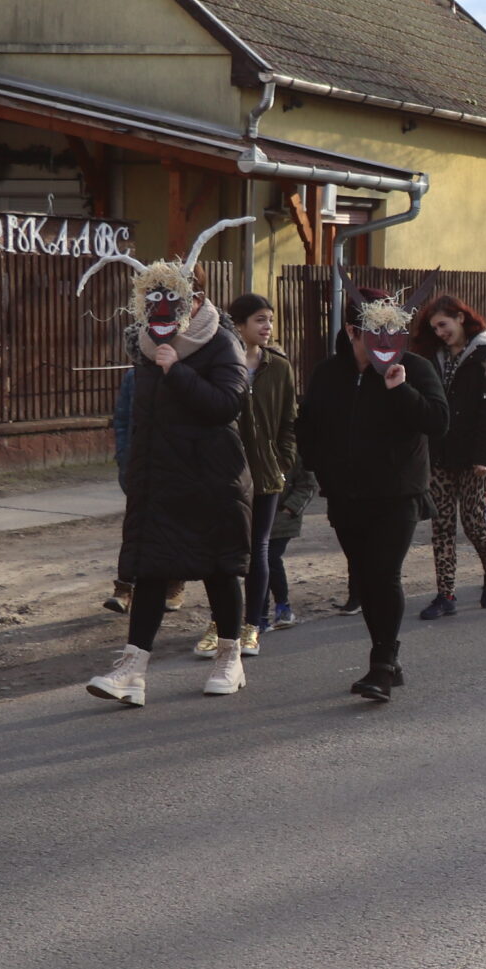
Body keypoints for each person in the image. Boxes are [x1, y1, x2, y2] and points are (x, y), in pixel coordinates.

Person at [87, 258, 251, 707]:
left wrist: (177, 370)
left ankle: (230, 659)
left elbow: (227, 405)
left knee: (219, 569)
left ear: (195, 298)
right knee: (152, 570)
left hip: (212, 478)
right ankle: (132, 671)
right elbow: (141, 417)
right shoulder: (145, 344)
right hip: (159, 480)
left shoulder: (221, 341)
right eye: (153, 295)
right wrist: (133, 469)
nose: (162, 304)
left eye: (173, 295)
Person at [295, 295, 450, 702]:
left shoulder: (414, 367)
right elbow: (308, 425)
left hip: (398, 494)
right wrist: (320, 468)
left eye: (393, 329)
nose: (385, 339)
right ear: (353, 331)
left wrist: (400, 389)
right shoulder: (329, 372)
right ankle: (388, 661)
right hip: (346, 496)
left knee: (384, 574)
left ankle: (381, 663)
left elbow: (438, 421)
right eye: (374, 330)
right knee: (365, 578)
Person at [412, 295, 486, 619]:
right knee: (441, 524)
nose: (440, 332)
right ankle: (446, 595)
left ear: (459, 317)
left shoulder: (485, 354)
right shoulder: (433, 358)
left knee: (472, 520)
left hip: (475, 456)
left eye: (443, 324)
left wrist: (483, 456)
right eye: (434, 328)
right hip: (441, 453)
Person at [211, 293, 293, 661]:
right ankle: (220, 624)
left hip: (266, 474)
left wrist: (283, 462)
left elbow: (290, 421)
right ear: (239, 324)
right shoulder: (220, 363)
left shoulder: (279, 366)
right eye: (260, 319)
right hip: (227, 474)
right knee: (225, 550)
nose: (268, 326)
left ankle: (252, 625)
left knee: (259, 548)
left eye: (270, 320)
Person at [105, 338, 184, 619]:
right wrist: (124, 457)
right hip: (139, 466)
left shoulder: (182, 373)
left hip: (175, 467)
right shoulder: (134, 377)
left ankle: (174, 584)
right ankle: (124, 588)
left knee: (174, 528)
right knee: (136, 529)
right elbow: (122, 420)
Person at [266, 461, 317, 630]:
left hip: (282, 519)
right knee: (256, 564)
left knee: (270, 559)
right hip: (254, 518)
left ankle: (283, 606)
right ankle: (259, 614)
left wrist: (290, 508)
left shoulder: (291, 452)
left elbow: (308, 485)